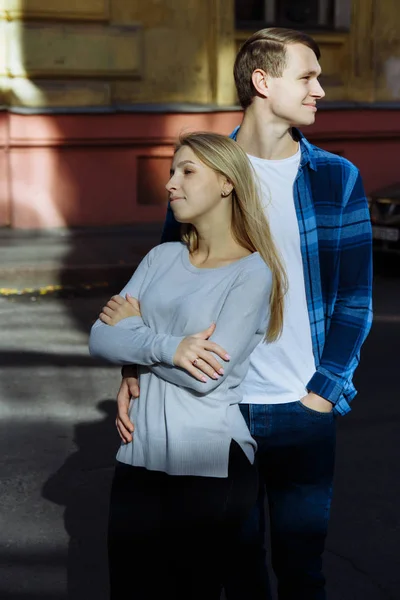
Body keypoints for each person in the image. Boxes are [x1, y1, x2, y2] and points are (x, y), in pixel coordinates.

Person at [116, 28, 373, 600]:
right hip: (217, 409)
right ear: (263, 81)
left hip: (300, 409)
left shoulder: (335, 177)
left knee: (303, 571)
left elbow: (355, 299)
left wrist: (323, 392)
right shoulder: (201, 172)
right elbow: (160, 286)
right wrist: (132, 370)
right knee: (235, 571)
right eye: (307, 77)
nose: (320, 91)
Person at [89, 132, 287, 600]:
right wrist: (169, 348)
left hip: (209, 461)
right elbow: (100, 338)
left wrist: (138, 340)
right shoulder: (161, 257)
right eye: (171, 171)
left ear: (226, 183)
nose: (171, 184)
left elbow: (206, 376)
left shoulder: (252, 272)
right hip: (140, 453)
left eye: (187, 171)